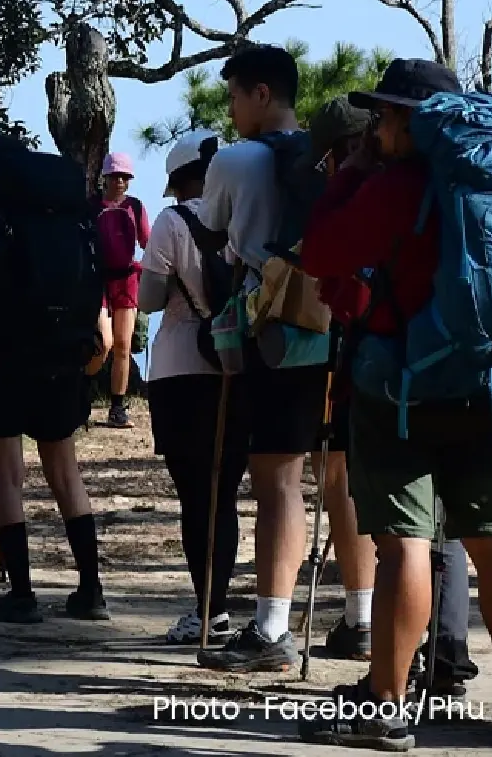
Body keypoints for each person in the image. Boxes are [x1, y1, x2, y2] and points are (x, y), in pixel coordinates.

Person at [300, 59, 492, 749]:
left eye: (384, 115)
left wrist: (353, 170)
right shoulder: (482, 187)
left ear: (410, 122)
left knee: (403, 546)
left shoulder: (397, 186)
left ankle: (386, 705)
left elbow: (321, 250)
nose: (376, 126)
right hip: (481, 384)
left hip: (401, 386)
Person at [193, 44, 333, 674]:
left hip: (272, 326)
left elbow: (216, 230)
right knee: (338, 477)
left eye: (233, 94)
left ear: (260, 93)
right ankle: (358, 617)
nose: (231, 108)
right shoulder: (327, 153)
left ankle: (272, 626)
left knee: (275, 480)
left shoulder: (236, 159)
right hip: (330, 325)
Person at [0, 135, 110, 623]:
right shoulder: (75, 219)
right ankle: (91, 590)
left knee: (6, 472)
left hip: (2, 356)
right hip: (63, 354)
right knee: (64, 469)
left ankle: (21, 593)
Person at [139, 130, 246, 645]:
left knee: (194, 496)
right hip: (235, 367)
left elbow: (149, 301)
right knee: (224, 495)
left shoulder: (171, 221)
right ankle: (221, 606)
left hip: (180, 368)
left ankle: (208, 611)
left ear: (179, 179)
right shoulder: (243, 217)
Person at [305, 96, 380, 662]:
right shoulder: (411, 183)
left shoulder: (354, 192)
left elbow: (321, 263)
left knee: (341, 481)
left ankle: (362, 619)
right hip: (417, 352)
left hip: (355, 348)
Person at [95, 152, 149, 430]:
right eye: (116, 176)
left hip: (127, 281)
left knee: (123, 346)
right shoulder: (92, 207)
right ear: (105, 177)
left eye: (125, 177)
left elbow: (148, 242)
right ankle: (79, 393)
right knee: (101, 342)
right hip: (99, 281)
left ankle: (117, 407)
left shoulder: (135, 208)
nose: (120, 182)